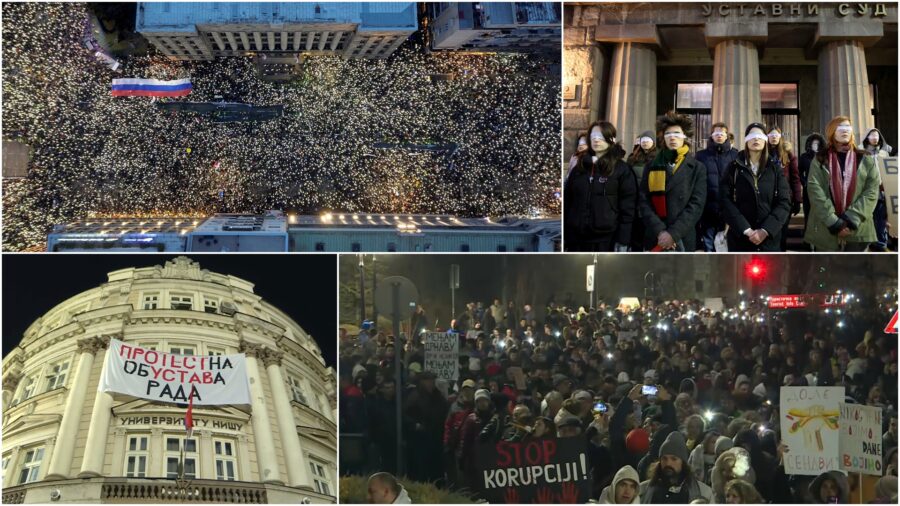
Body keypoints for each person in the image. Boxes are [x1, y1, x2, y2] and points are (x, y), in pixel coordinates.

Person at [805, 116, 880, 251]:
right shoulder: (820, 159)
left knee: (856, 271)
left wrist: (851, 219)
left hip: (858, 230)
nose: (844, 130)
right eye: (840, 127)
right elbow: (815, 191)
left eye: (847, 127)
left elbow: (872, 191)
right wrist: (834, 222)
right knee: (825, 271)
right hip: (825, 229)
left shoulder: (865, 158)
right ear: (832, 132)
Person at [564, 120, 638, 251]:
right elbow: (568, 200)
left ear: (611, 139)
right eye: (593, 137)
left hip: (606, 239)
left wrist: (623, 239)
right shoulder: (579, 168)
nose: (596, 140)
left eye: (601, 136)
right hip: (576, 237)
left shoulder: (621, 170)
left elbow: (628, 207)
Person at [639, 111, 707, 251]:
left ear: (684, 136)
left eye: (677, 133)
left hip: (682, 236)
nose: (672, 138)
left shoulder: (697, 168)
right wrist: (661, 231)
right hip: (656, 235)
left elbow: (696, 205)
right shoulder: (651, 165)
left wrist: (673, 234)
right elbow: (644, 201)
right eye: (668, 134)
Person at [719, 123, 791, 251]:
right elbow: (725, 201)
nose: (756, 139)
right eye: (752, 135)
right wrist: (746, 230)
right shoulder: (733, 168)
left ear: (765, 140)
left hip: (769, 240)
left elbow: (784, 202)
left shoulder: (775, 169)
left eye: (759, 135)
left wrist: (765, 230)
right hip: (740, 239)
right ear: (746, 140)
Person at [694, 122, 739, 251]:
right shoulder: (701, 156)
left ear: (727, 136)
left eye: (722, 133)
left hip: (729, 207)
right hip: (708, 207)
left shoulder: (735, 155)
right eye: (716, 133)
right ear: (711, 136)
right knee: (708, 243)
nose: (719, 135)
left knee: (727, 244)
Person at [639, 431, 714, 503]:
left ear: (683, 462)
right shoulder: (642, 490)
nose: (668, 463)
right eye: (664, 458)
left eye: (674, 459)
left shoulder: (704, 493)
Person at [766, 126, 803, 250]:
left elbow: (795, 178)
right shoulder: (762, 154)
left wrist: (797, 200)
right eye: (771, 134)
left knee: (782, 233)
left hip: (784, 199)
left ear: (780, 137)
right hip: (766, 200)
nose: (774, 136)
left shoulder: (788, 155)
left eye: (776, 134)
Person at [862, 127, 893, 251]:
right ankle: (867, 244)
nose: (874, 138)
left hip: (881, 193)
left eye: (876, 135)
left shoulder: (885, 153)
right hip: (867, 192)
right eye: (872, 135)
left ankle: (881, 244)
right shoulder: (862, 153)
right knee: (867, 219)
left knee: (881, 220)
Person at [627, 131, 657, 252]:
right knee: (637, 235)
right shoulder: (633, 157)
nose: (645, 142)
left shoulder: (659, 157)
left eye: (648, 139)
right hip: (635, 200)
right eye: (643, 139)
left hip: (652, 201)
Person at [799, 132, 826, 230]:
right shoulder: (804, 157)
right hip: (808, 190)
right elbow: (799, 172)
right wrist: (804, 182)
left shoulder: (824, 156)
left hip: (822, 189)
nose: (815, 145)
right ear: (810, 144)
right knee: (808, 212)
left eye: (817, 143)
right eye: (814, 143)